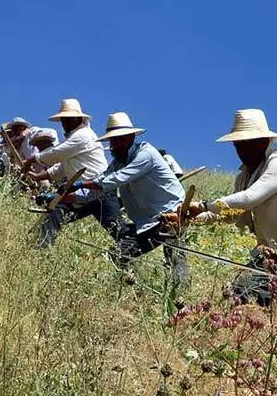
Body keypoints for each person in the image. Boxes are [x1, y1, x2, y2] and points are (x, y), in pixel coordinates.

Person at [183, 109, 277, 330]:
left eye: (248, 143)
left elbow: (249, 199)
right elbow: (233, 214)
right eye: (238, 145)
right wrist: (191, 218)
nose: (242, 150)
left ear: (264, 141)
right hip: (273, 254)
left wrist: (203, 205)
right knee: (242, 295)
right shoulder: (243, 177)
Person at [70, 113, 190, 289]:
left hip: (172, 213)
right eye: (112, 142)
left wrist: (82, 183)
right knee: (122, 252)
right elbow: (94, 190)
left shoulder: (146, 153)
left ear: (131, 137)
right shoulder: (119, 161)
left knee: (175, 256)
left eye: (118, 141)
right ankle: (136, 289)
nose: (113, 146)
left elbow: (114, 180)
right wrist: (62, 197)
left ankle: (181, 297)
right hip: (148, 221)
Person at [21, 98, 117, 247]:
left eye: (68, 119)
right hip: (81, 193)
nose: (64, 123)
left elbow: (58, 153)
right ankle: (41, 250)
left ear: (78, 118)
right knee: (54, 213)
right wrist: (39, 176)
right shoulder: (74, 137)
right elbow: (62, 167)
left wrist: (31, 160)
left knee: (117, 231)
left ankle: (129, 255)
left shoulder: (83, 135)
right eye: (63, 120)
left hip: (99, 190)